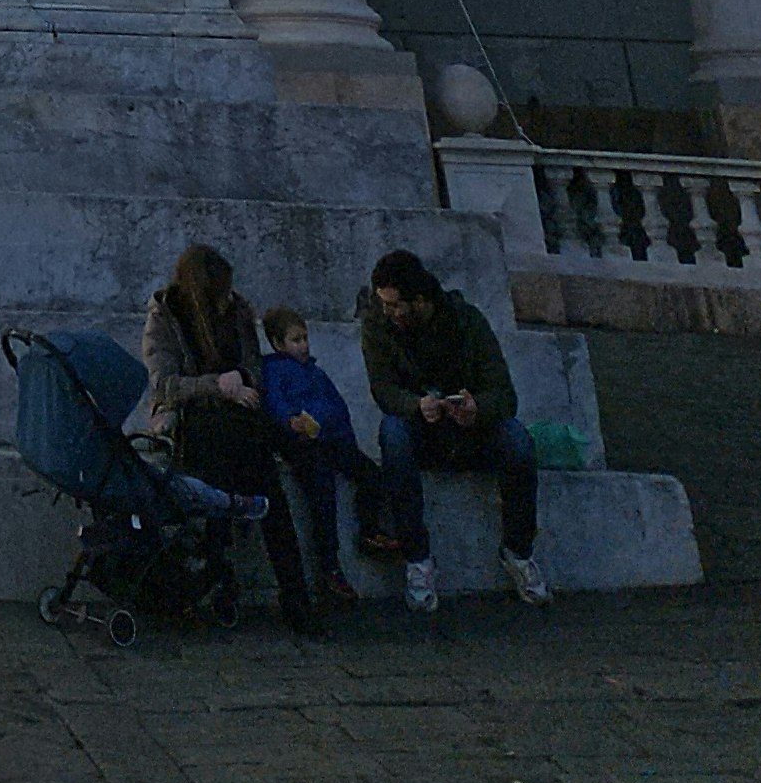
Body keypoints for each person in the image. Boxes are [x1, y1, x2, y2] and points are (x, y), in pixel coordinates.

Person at [142, 239, 318, 637]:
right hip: (192, 420)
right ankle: (283, 595)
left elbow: (253, 365)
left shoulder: (237, 310)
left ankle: (292, 591)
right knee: (240, 459)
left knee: (272, 462)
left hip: (242, 416)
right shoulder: (166, 315)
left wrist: (242, 383)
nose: (225, 301)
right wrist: (218, 386)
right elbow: (164, 385)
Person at [361, 247, 548, 613]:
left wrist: (476, 408)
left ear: (419, 300)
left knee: (518, 441)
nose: (389, 313)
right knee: (392, 433)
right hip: (421, 429)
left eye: (395, 305)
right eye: (383, 304)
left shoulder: (466, 321)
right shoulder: (378, 326)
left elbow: (503, 393)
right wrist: (415, 406)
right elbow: (383, 389)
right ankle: (417, 560)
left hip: (471, 431)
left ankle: (519, 552)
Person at [257, 304, 382, 608]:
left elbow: (337, 407)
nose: (303, 345)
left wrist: (344, 438)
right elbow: (274, 402)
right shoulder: (273, 371)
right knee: (322, 494)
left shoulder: (316, 373)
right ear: (277, 343)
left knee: (370, 474)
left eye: (304, 338)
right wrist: (290, 421)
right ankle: (330, 566)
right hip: (302, 445)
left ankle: (371, 529)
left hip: (331, 439)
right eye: (295, 340)